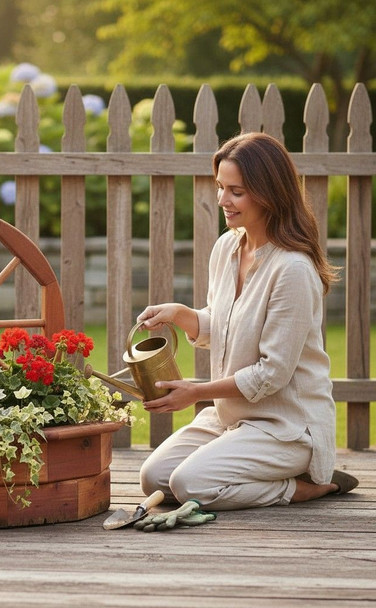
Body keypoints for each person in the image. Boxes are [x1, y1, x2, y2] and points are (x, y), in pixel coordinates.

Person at [136, 132, 358, 512]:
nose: (222, 200)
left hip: (286, 428)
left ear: (268, 193)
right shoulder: (227, 247)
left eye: (235, 191)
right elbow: (223, 326)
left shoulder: (292, 269)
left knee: (190, 485)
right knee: (154, 478)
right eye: (221, 187)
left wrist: (195, 391)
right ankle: (256, 471)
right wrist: (181, 315)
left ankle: (304, 487)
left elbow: (272, 373)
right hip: (233, 419)